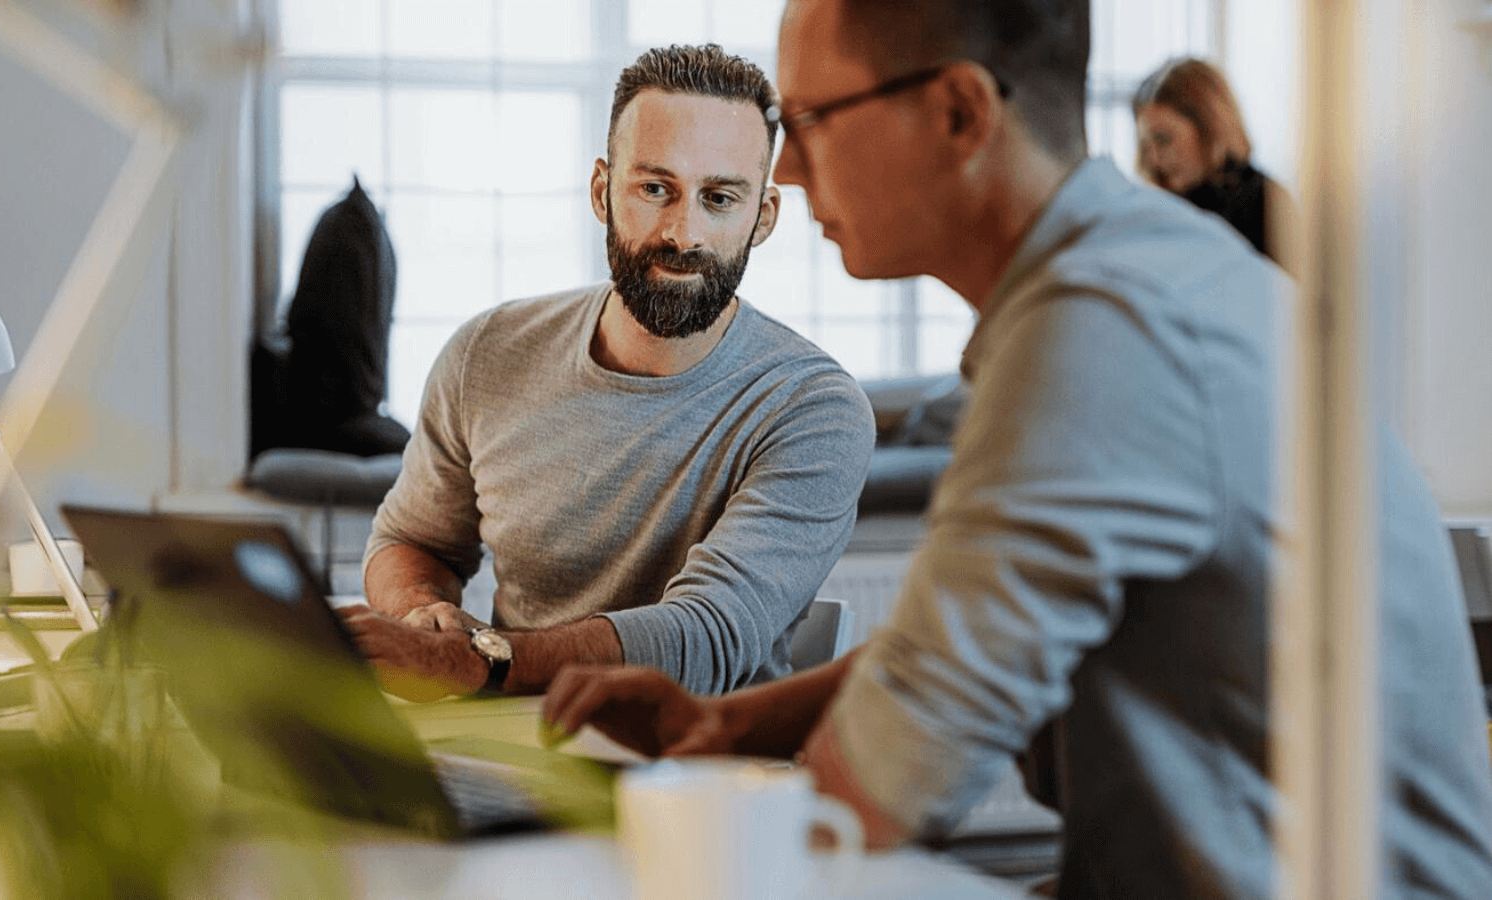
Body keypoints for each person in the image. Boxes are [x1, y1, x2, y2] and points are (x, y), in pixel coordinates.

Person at [541, 2, 1492, 897]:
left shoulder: (1101, 332)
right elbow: (937, 654)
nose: (785, 174)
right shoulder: (1133, 271)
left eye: (814, 118)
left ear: (960, 112)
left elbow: (870, 794)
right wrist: (724, 722)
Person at [341, 44, 875, 703]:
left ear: (762, 217)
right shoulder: (487, 353)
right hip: (506, 743)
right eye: (656, 189)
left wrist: (478, 661)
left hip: (701, 772)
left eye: (719, 198)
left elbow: (707, 637)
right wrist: (420, 615)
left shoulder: (814, 409)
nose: (684, 233)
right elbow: (412, 540)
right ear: (602, 191)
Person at [1132, 56, 1298, 272]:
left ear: (1209, 130)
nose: (1153, 158)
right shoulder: (1155, 209)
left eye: (1163, 139)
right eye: (1145, 145)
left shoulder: (1268, 204)